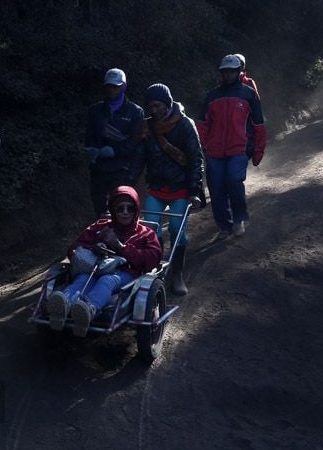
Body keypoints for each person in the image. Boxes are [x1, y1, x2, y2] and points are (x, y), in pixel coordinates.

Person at [46, 186, 162, 337]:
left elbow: (153, 259)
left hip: (126, 272)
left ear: (137, 209)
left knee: (107, 280)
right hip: (95, 267)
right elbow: (74, 248)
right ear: (113, 210)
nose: (125, 212)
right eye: (120, 208)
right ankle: (63, 304)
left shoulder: (146, 234)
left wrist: (121, 247)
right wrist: (94, 247)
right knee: (82, 278)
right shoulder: (100, 227)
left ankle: (89, 309)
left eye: (130, 208)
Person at [130, 83, 205, 296]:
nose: (154, 110)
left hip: (180, 188)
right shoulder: (146, 128)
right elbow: (138, 159)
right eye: (150, 106)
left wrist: (195, 190)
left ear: (167, 103)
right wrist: (126, 184)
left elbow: (196, 159)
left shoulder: (184, 125)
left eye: (158, 105)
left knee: (176, 230)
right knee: (150, 228)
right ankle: (157, 267)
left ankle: (178, 273)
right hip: (156, 187)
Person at [196, 54, 267, 240]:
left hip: (239, 149)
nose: (228, 75)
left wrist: (258, 150)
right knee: (216, 188)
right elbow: (202, 124)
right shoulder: (211, 96)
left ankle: (239, 219)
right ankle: (224, 226)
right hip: (214, 151)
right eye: (225, 71)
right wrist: (202, 145)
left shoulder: (249, 94)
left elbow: (258, 125)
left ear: (239, 72)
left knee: (234, 181)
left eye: (231, 71)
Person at [84, 68, 145, 218]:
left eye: (115, 86)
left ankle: (124, 241)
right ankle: (103, 239)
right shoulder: (95, 110)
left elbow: (136, 142)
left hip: (122, 169)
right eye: (109, 86)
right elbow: (89, 136)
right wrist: (92, 150)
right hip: (98, 169)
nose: (112, 90)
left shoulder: (135, 112)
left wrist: (115, 150)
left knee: (121, 211)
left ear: (123, 87)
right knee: (100, 211)